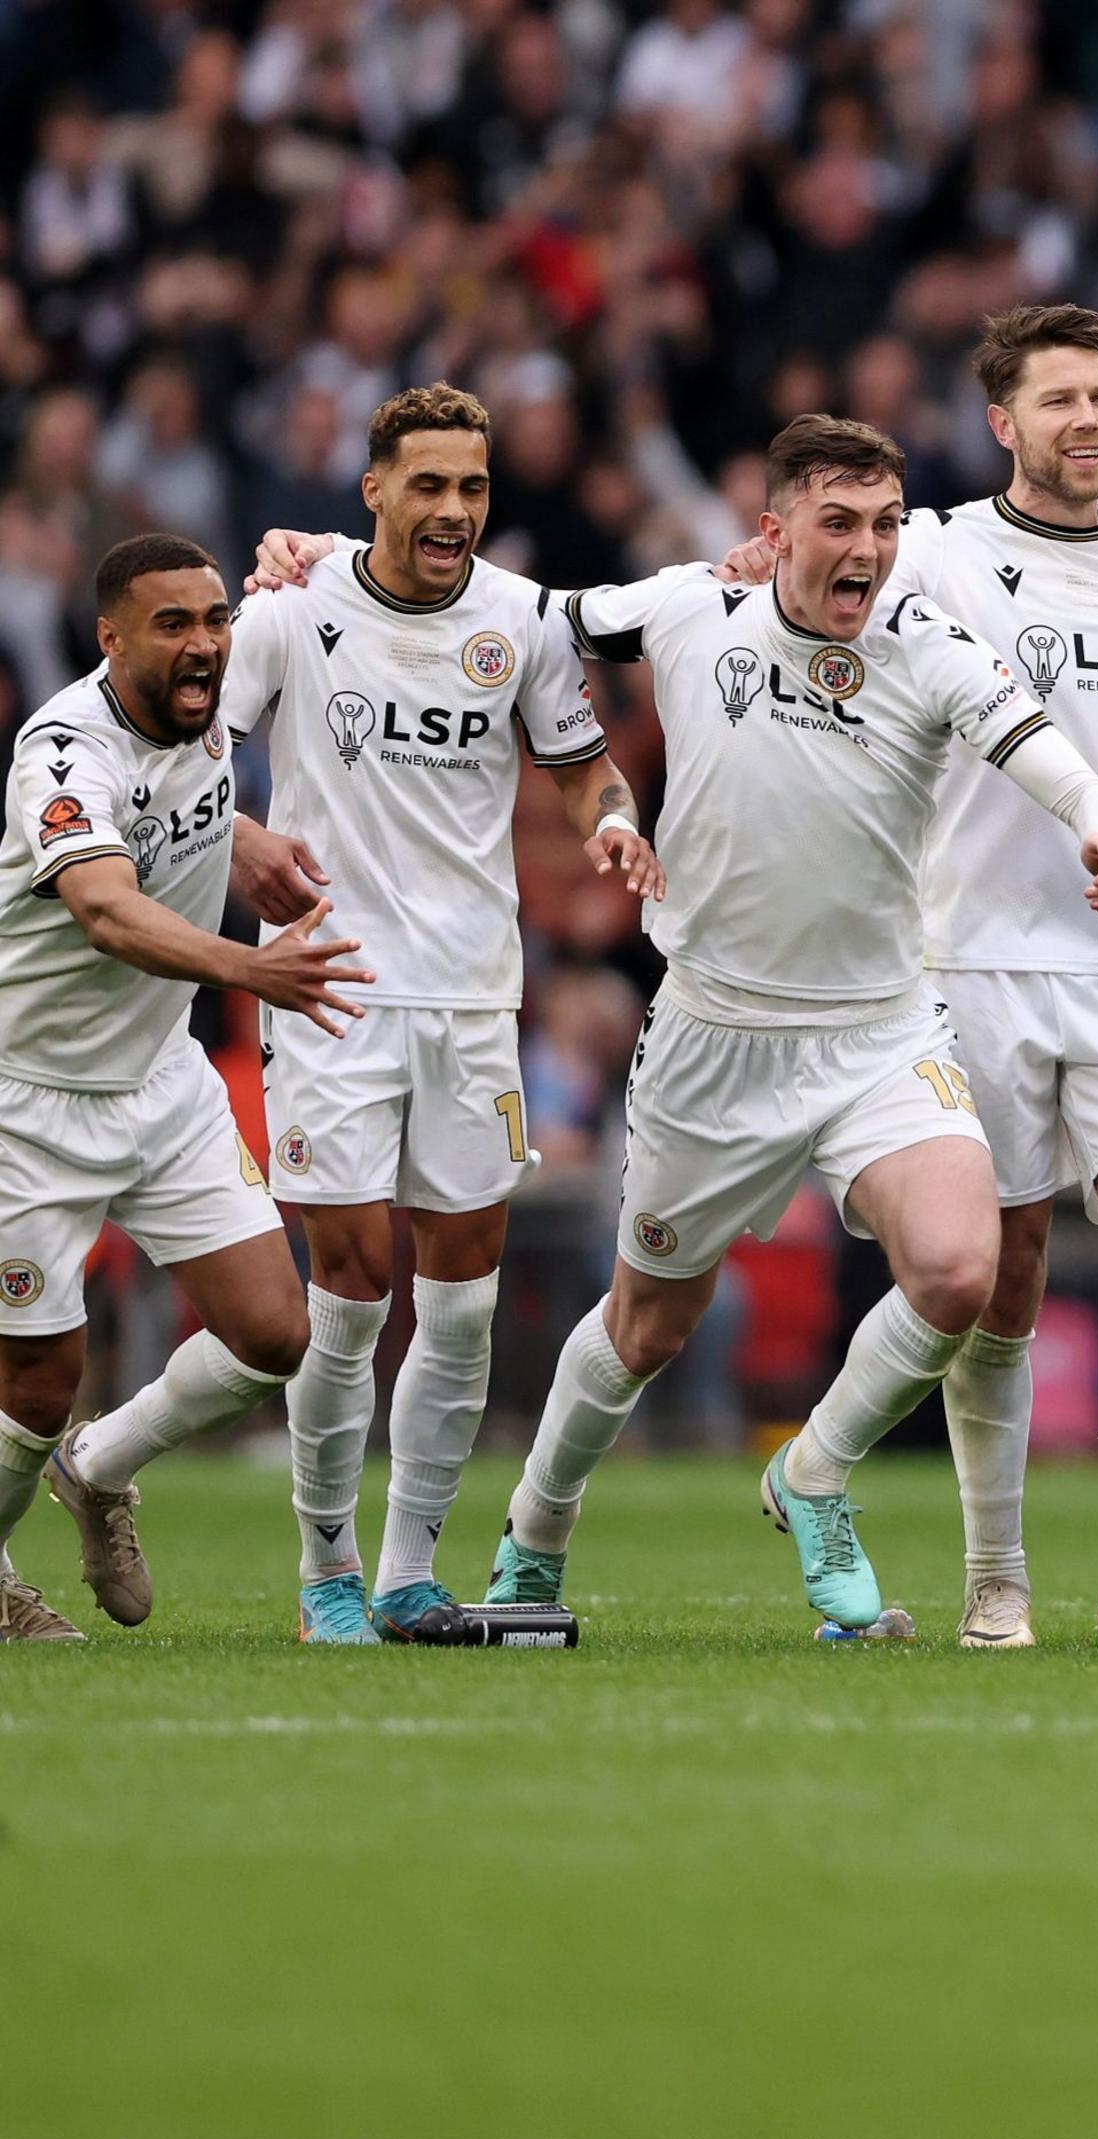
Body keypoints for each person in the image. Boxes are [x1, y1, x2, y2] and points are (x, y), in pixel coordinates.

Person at [477, 416, 1098, 1635]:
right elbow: (523, 614)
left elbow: (1045, 751)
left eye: (887, 524)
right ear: (773, 530)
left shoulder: (929, 644)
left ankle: (815, 1468)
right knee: (647, 1325)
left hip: (881, 1031)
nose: (870, 551)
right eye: (839, 524)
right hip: (715, 1034)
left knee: (959, 1269)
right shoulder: (688, 609)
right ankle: (535, 1537)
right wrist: (333, 556)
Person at [683, 307, 1098, 1652]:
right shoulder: (924, 547)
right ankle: (999, 1578)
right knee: (1008, 1272)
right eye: (1058, 401)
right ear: (1004, 424)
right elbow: (752, 578)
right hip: (967, 958)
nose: (1089, 421)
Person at [222, 383, 663, 1644]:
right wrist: (245, 835)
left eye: (472, 487)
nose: (455, 510)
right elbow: (191, 746)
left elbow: (580, 768)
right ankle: (324, 1572)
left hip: (474, 995)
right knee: (353, 1286)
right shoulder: (294, 611)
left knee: (461, 1295)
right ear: (373, 491)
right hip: (330, 983)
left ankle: (413, 1570)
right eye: (429, 485)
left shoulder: (519, 618)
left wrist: (617, 825)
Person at [0, 536, 368, 1641]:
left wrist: (243, 838)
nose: (204, 642)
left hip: (160, 1080)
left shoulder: (200, 704)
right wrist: (251, 968)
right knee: (34, 1382)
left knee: (273, 1332)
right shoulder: (62, 754)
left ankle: (100, 1468)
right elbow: (105, 907)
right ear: (110, 639)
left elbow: (184, 797)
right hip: (29, 1098)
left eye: (213, 619)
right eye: (173, 625)